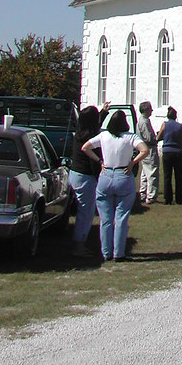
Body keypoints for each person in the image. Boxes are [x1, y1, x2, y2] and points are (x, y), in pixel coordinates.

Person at [81, 109, 148, 262]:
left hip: (106, 175)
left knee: (105, 219)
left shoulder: (104, 135)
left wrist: (99, 162)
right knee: (121, 217)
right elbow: (145, 150)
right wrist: (132, 162)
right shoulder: (130, 137)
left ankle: (106, 253)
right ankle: (119, 253)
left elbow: (85, 147)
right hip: (123, 174)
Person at [68, 101, 109, 258]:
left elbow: (95, 125)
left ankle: (80, 242)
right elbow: (94, 158)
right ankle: (79, 245)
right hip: (85, 176)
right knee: (86, 212)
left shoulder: (80, 132)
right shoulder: (89, 137)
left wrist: (103, 113)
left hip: (75, 174)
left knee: (83, 210)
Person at [156, 106, 182, 205]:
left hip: (167, 151)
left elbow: (159, 136)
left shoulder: (165, 125)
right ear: (175, 116)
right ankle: (179, 199)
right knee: (179, 176)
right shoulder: (181, 126)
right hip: (179, 152)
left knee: (167, 176)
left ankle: (168, 198)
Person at [136, 100, 160, 204]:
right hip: (149, 148)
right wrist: (156, 138)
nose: (152, 111)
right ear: (145, 110)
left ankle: (142, 193)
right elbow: (148, 137)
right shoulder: (144, 121)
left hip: (144, 148)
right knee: (152, 171)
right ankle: (151, 196)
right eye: (150, 109)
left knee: (145, 173)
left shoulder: (141, 120)